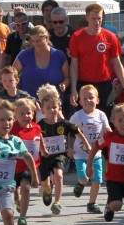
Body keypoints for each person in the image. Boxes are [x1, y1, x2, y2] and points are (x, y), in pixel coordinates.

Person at [69, 4, 124, 112]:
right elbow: (74, 64)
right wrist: (73, 89)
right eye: (93, 19)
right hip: (84, 84)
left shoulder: (110, 36)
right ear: (87, 17)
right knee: (85, 116)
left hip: (104, 85)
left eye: (99, 18)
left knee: (105, 116)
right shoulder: (77, 37)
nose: (97, 22)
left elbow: (117, 63)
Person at [36, 84, 86, 215]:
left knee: (58, 175)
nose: (51, 110)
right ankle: (47, 190)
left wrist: (85, 144)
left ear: (59, 108)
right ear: (43, 109)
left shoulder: (63, 122)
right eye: (48, 108)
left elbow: (75, 131)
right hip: (45, 156)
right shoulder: (39, 125)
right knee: (45, 183)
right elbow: (32, 137)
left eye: (54, 107)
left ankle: (57, 202)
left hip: (59, 155)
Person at [70, 84, 109, 214]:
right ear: (80, 102)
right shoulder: (77, 116)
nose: (88, 101)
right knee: (84, 178)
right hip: (80, 154)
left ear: (97, 100)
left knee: (97, 180)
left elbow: (107, 129)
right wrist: (69, 147)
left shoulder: (101, 115)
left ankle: (92, 203)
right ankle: (80, 183)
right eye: (84, 99)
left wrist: (109, 132)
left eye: (91, 98)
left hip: (96, 154)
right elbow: (70, 131)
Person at [11, 97, 44, 225]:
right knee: (14, 192)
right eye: (22, 113)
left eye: (29, 113)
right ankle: (17, 200)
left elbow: (39, 138)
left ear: (33, 113)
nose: (26, 116)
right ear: (15, 114)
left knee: (26, 188)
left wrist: (44, 149)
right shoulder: (11, 128)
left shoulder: (36, 127)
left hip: (29, 166)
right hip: (13, 167)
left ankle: (22, 218)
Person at [14, 25, 69, 98]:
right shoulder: (24, 56)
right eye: (33, 41)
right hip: (29, 101)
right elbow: (12, 74)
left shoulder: (59, 55)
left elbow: (67, 78)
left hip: (53, 101)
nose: (35, 44)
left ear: (47, 38)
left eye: (38, 41)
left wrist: (64, 84)